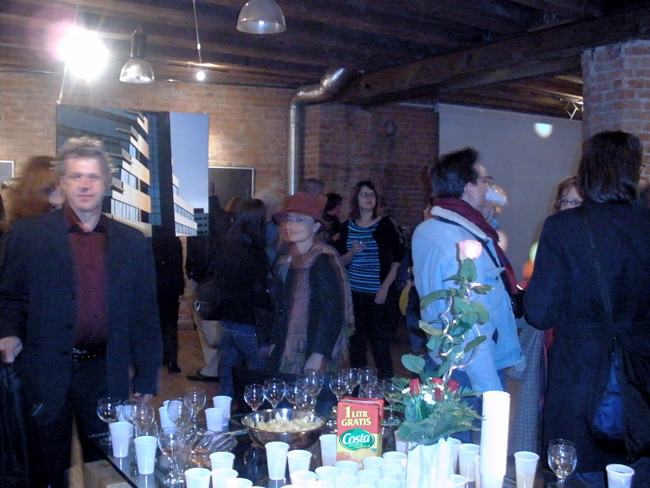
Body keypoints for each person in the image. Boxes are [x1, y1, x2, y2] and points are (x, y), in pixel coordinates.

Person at [0, 137, 162, 488]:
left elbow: (146, 313)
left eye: (93, 176)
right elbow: (11, 296)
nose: (85, 185)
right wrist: (9, 332)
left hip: (105, 374)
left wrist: (147, 374)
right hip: (44, 372)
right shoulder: (29, 235)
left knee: (107, 467)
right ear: (62, 183)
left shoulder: (133, 242)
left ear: (107, 183)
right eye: (75, 176)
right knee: (45, 470)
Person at [524, 131, 650, 487]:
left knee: (576, 475)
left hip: (580, 376)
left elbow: (540, 313)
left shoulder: (563, 228)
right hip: (641, 379)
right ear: (633, 171)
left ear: (588, 169)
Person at [412, 149, 522, 397]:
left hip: (442, 357)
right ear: (469, 188)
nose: (488, 188)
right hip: (471, 370)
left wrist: (480, 222)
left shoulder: (429, 228)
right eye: (484, 181)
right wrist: (491, 392)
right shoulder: (465, 242)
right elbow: (470, 327)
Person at [268, 192, 354, 374]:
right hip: (285, 343)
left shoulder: (322, 259)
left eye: (300, 220)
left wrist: (319, 354)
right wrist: (274, 341)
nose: (292, 225)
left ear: (315, 226)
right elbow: (279, 307)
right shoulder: (286, 259)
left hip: (311, 343)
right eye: (289, 219)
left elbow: (332, 310)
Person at [337, 181, 405, 379]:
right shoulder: (348, 226)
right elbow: (339, 260)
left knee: (380, 343)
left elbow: (398, 259)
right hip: (354, 292)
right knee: (356, 343)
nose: (369, 198)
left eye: (372, 195)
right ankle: (358, 386)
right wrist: (352, 252)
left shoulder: (385, 224)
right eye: (364, 195)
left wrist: (384, 288)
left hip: (377, 291)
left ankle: (385, 387)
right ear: (356, 199)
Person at [210, 199, 272, 397]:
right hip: (249, 324)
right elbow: (259, 293)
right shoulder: (256, 253)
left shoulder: (225, 245)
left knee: (226, 382)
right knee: (259, 381)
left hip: (227, 320)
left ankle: (223, 415)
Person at [151, 234, 185, 374]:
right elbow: (178, 266)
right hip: (171, 286)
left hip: (153, 285)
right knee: (170, 324)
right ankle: (172, 361)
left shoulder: (148, 239)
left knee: (154, 323)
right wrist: (180, 288)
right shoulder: (174, 240)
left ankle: (157, 357)